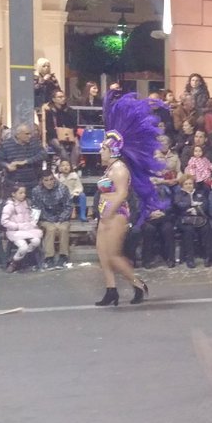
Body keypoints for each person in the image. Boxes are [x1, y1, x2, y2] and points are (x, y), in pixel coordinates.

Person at [94, 91, 164, 306]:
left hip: (116, 215)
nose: (100, 151)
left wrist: (108, 212)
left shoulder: (120, 169)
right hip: (106, 215)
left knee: (114, 255)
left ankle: (138, 284)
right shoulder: (110, 169)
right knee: (102, 254)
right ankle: (111, 290)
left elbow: (123, 193)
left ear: (113, 151)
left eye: (104, 148)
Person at [31, 171, 73, 269]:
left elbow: (68, 206)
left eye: (51, 179)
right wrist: (51, 220)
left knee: (63, 229)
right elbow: (37, 208)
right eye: (46, 180)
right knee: (51, 229)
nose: (49, 182)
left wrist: (61, 218)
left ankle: (63, 256)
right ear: (42, 181)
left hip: (62, 217)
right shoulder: (36, 191)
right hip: (45, 218)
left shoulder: (63, 188)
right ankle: (49, 257)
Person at [0, 123, 48, 195]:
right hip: (14, 184)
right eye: (27, 134)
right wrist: (7, 165)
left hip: (32, 182)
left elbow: (44, 154)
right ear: (18, 135)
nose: (30, 136)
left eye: (30, 134)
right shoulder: (6, 145)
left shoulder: (34, 142)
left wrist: (25, 161)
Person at [1, 185, 42, 272]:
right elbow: (4, 221)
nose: (23, 195)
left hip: (27, 229)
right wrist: (17, 226)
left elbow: (30, 217)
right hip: (15, 231)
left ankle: (23, 258)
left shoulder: (27, 204)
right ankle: (14, 262)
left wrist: (32, 223)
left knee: (36, 241)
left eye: (24, 193)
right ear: (13, 194)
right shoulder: (9, 206)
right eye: (20, 193)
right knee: (23, 246)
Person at [42, 88, 80, 167]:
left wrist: (70, 134)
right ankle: (69, 167)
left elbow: (74, 126)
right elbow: (48, 128)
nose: (63, 99)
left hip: (69, 135)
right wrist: (58, 134)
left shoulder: (69, 110)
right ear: (54, 99)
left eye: (63, 96)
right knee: (60, 147)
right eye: (60, 97)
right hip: (54, 136)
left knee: (77, 146)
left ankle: (73, 166)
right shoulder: (49, 111)